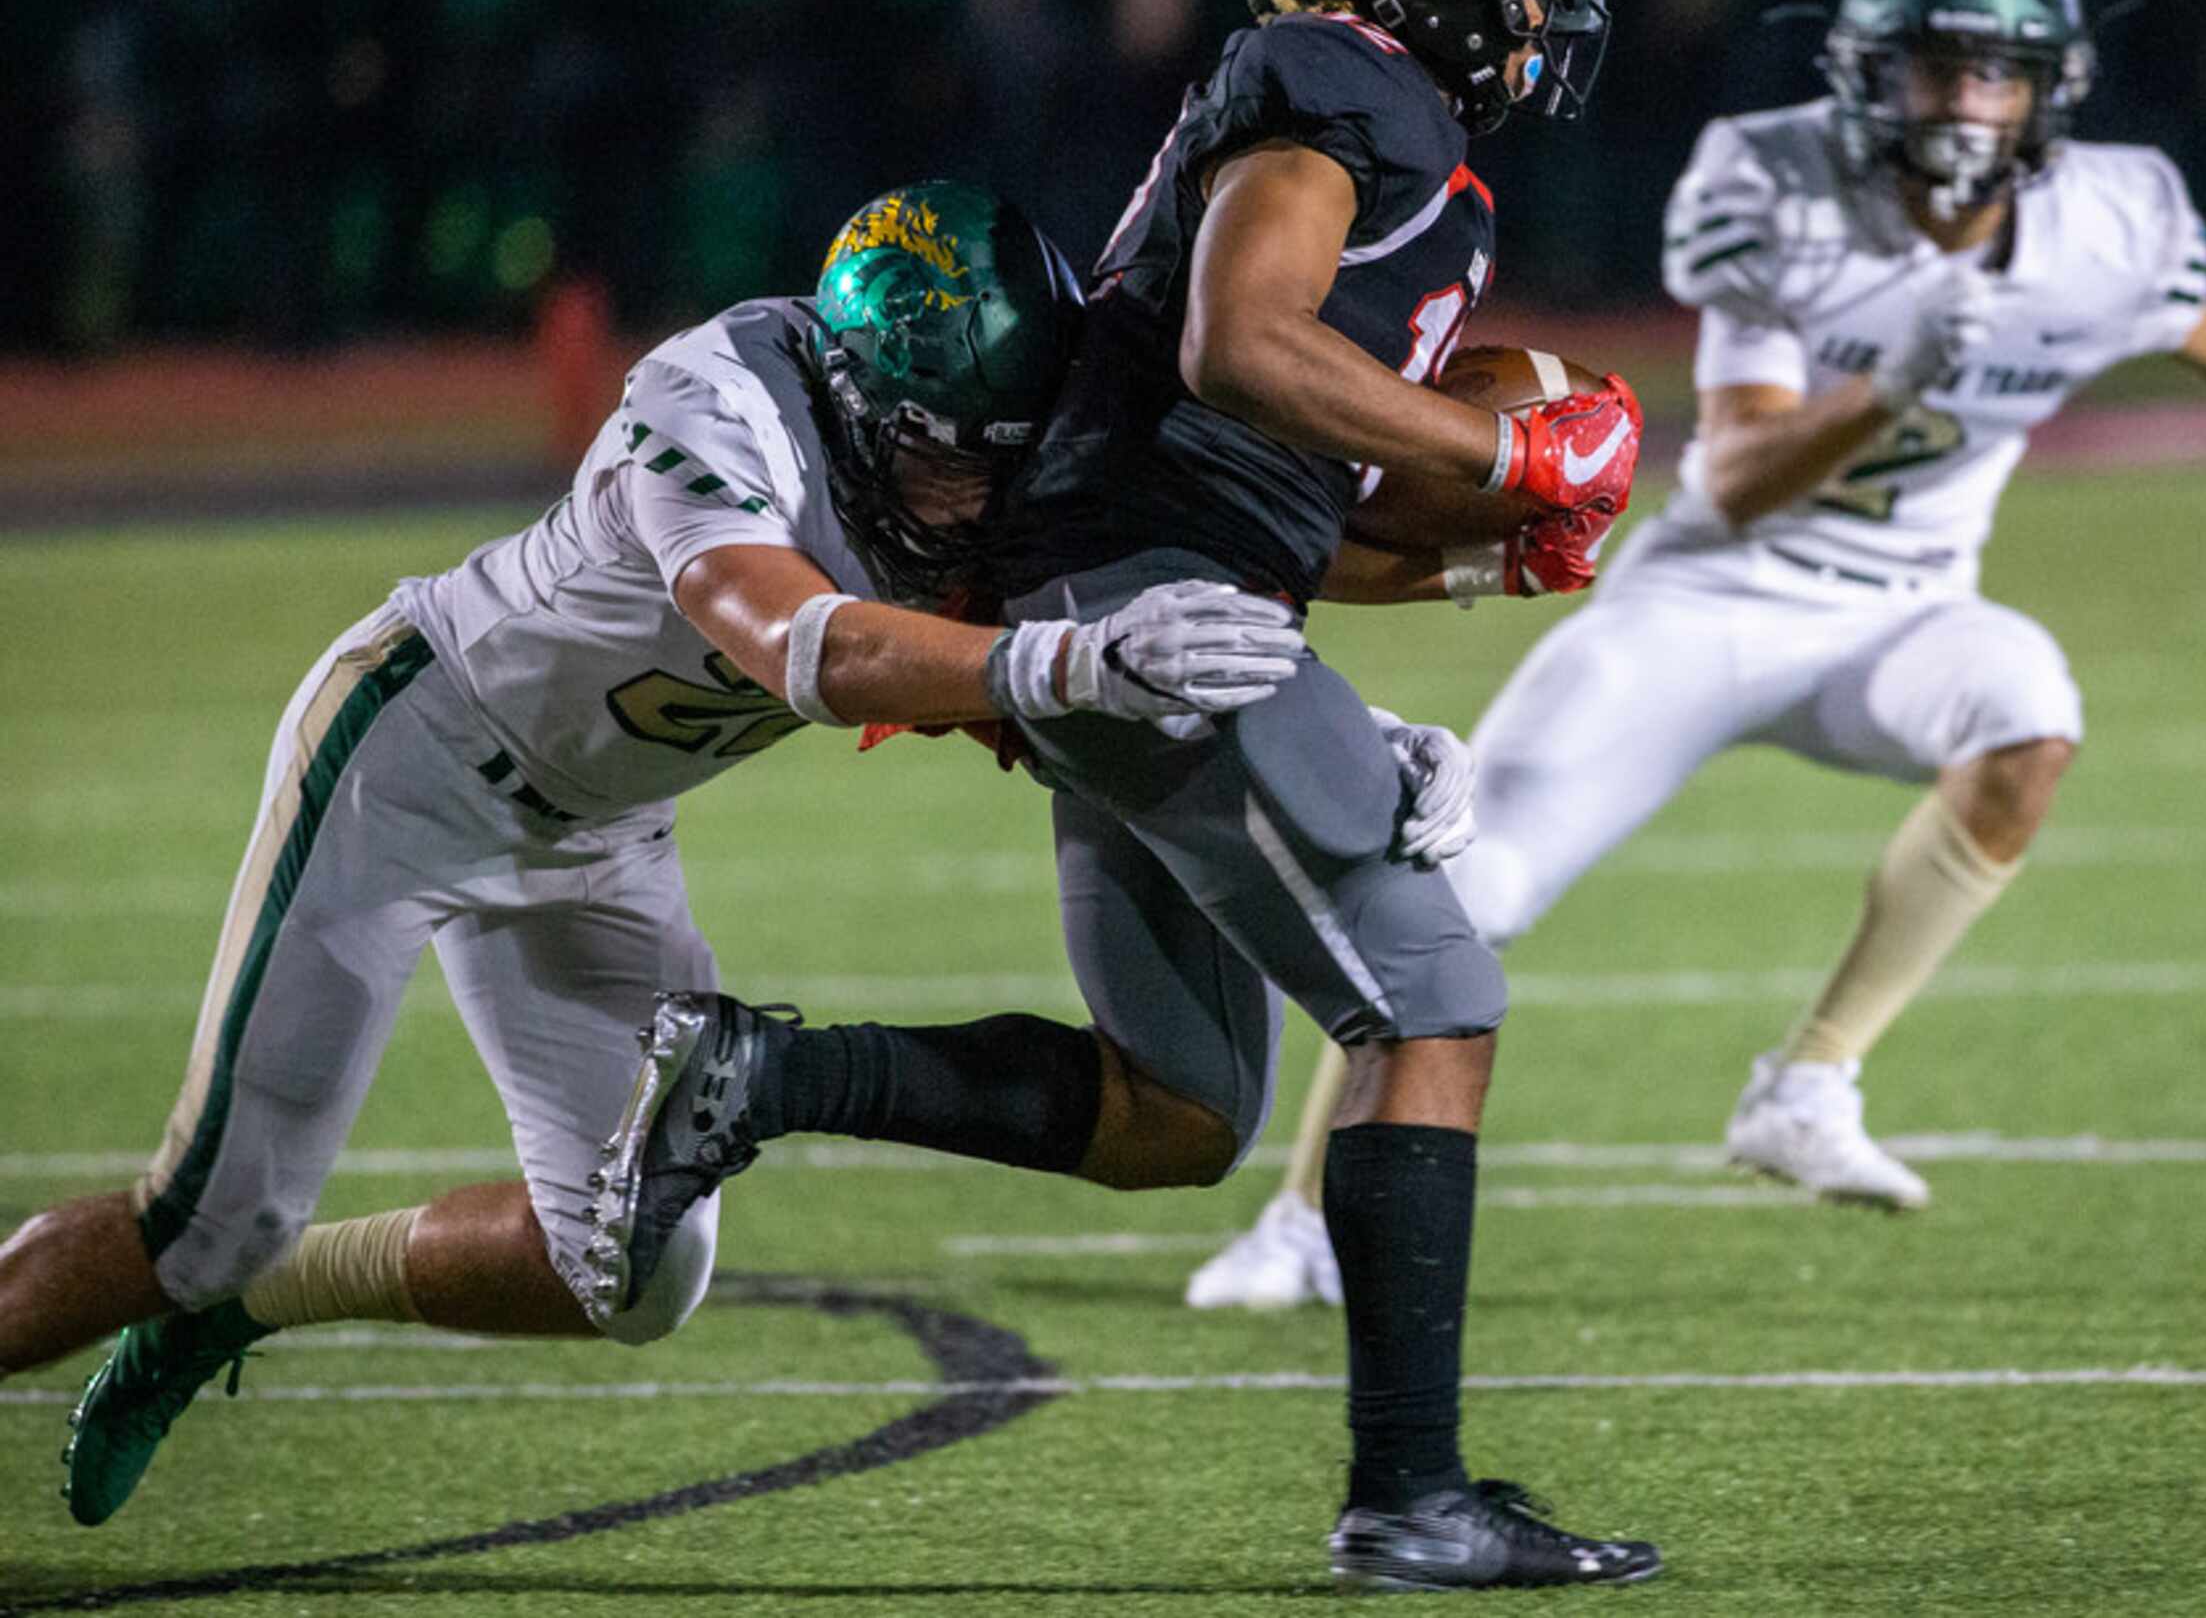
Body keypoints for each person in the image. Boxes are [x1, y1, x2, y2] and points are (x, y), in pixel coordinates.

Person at [589, 0, 1661, 1592]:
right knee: (1432, 1013)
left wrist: (1475, 547)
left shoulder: (1366, 118)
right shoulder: (1345, 75)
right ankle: (1412, 1494)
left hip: (1143, 587)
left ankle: (762, 1073)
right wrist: (1497, 458)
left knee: (1175, 1114)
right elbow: (1240, 348)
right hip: (1145, 598)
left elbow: (1266, 487)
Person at [1182, 0, 2206, 1311]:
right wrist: (1884, 384)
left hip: (1905, 611)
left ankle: (1806, 1083)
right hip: (1712, 601)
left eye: (1994, 74)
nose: (1963, 104)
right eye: (1936, 69)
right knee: (1471, 884)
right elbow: (1741, 471)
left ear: (2051, 88)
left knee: (2027, 711)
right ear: (1868, 73)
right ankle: (1304, 1214)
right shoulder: (1775, 181)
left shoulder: (2111, 216)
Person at [10, 180, 1308, 1526]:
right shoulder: (712, 397)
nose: (980, 502)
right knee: (209, 1215)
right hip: (413, 766)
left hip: (600, 832)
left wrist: (1356, 743)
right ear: (863, 404)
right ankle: (217, 1269)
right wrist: (1059, 660)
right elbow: (802, 645)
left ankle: (249, 1307)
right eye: (955, 462)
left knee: (626, 1273)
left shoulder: (935, 439)